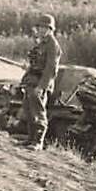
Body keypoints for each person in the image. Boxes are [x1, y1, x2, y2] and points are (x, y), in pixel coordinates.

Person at [18, 13, 62, 150]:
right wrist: (28, 67)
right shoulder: (41, 43)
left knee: (38, 112)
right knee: (28, 109)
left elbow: (51, 68)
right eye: (40, 27)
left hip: (41, 82)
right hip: (32, 80)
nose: (41, 30)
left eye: (45, 27)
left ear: (50, 29)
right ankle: (30, 139)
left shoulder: (52, 45)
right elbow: (37, 63)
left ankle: (38, 141)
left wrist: (41, 86)